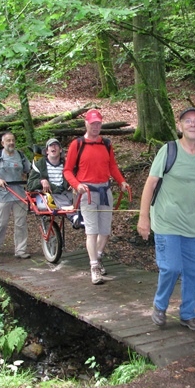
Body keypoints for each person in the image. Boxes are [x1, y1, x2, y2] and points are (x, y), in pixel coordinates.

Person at [137, 108, 195, 332]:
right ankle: (160, 305)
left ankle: (188, 313)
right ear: (180, 126)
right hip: (166, 220)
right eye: (188, 121)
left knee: (193, 271)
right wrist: (143, 217)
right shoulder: (168, 150)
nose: (192, 124)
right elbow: (150, 184)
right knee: (171, 267)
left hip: (191, 223)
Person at [63, 108, 129, 285]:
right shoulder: (77, 144)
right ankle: (94, 268)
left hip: (105, 191)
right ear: (86, 123)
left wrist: (121, 181)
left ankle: (98, 257)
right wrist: (77, 185)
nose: (95, 127)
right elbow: (67, 170)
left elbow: (112, 166)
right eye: (93, 124)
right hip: (87, 193)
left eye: (98, 123)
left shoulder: (106, 144)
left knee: (105, 231)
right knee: (91, 232)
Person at [0, 132, 32, 259]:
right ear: (2, 143)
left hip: (19, 195)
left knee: (21, 223)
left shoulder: (21, 156)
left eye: (13, 140)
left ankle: (20, 250)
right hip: (2, 196)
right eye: (8, 140)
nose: (11, 143)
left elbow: (30, 170)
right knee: (2, 223)